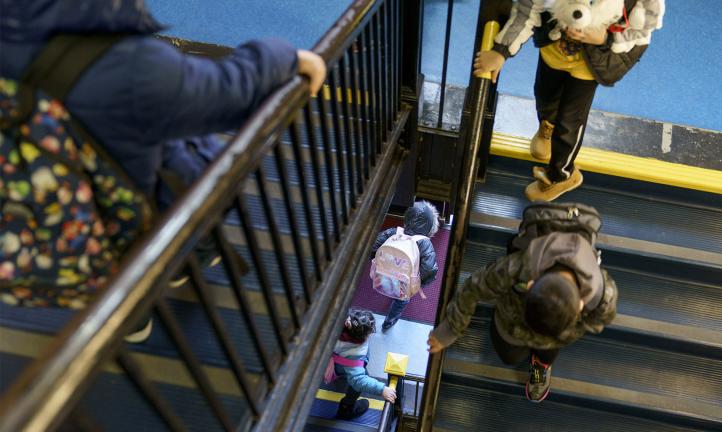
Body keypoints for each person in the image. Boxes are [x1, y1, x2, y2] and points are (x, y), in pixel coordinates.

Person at [0, 0, 326, 340]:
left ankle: (130, 321)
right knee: (202, 169)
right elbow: (231, 93)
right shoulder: (127, 65)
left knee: (107, 266)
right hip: (127, 209)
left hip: (30, 213)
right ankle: (185, 262)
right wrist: (285, 56)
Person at [473, 0, 665, 201]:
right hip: (554, 52)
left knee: (570, 123)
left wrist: (605, 39)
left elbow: (642, 30)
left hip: (589, 64)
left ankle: (561, 175)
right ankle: (547, 127)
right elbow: (527, 9)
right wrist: (501, 51)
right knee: (545, 96)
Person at [427, 202, 617, 402]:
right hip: (511, 326)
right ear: (530, 284)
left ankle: (539, 369)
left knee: (545, 355)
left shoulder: (603, 295)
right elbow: (474, 287)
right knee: (509, 357)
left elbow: (598, 321)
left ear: (580, 304)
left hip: (548, 337)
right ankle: (537, 357)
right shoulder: (516, 267)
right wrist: (451, 328)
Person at [370, 201, 439, 331]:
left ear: (407, 218)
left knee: (387, 284)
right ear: (430, 227)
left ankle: (387, 289)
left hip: (385, 274)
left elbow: (374, 246)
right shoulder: (424, 243)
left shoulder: (395, 232)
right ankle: (389, 322)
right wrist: (420, 283)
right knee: (401, 300)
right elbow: (430, 270)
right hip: (405, 282)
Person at [327, 309, 397, 420]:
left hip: (334, 359)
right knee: (357, 385)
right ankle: (346, 408)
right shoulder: (355, 353)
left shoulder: (336, 325)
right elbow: (358, 380)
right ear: (362, 337)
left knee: (357, 374)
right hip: (343, 367)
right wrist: (382, 389)